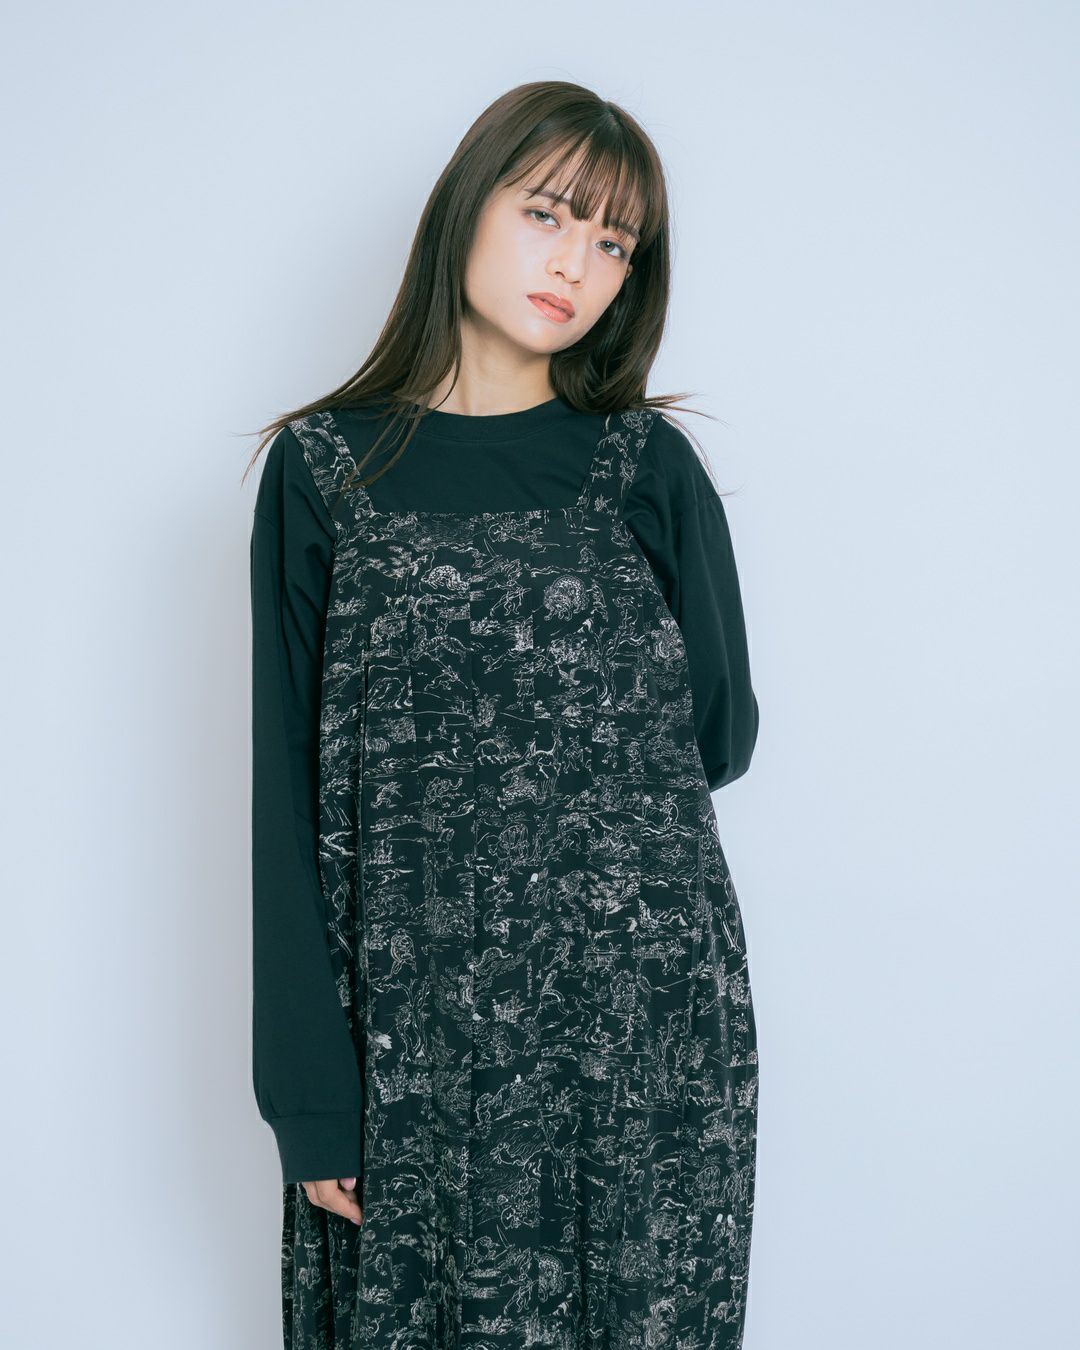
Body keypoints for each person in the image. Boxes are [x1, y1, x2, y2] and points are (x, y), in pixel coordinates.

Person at [246, 79, 761, 1350]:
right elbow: (283, 794)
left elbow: (718, 738)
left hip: (642, 1040)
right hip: (411, 1044)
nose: (577, 264)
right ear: (467, 207)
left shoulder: (645, 466)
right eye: (549, 214)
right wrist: (311, 1101)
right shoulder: (324, 469)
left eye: (615, 242)